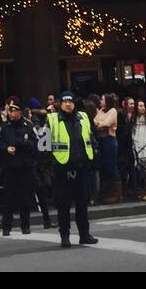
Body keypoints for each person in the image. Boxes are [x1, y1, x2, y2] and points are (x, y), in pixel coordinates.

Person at [47, 92, 98, 248]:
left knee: (82, 204)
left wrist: (94, 153)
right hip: (63, 170)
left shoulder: (82, 117)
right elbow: (44, 145)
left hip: (82, 168)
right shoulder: (53, 120)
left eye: (70, 101)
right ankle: (65, 237)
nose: (68, 104)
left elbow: (91, 137)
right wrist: (53, 164)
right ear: (60, 104)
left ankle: (84, 235)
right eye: (65, 101)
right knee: (64, 206)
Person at [0, 99, 36, 236]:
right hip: (10, 167)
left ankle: (25, 225)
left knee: (25, 197)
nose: (11, 113)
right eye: (9, 111)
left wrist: (20, 144)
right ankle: (6, 226)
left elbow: (33, 144)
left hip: (25, 166)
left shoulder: (28, 126)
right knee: (8, 199)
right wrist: (6, 148)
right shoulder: (5, 127)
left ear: (19, 112)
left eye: (13, 111)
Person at [28, 102, 53, 228]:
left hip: (37, 162)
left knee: (40, 191)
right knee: (42, 191)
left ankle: (46, 219)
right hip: (42, 162)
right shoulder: (46, 128)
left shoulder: (36, 128)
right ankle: (46, 219)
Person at [93, 93, 120, 204]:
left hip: (109, 140)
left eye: (102, 99)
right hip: (102, 141)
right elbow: (95, 122)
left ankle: (117, 194)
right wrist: (99, 123)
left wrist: (99, 123)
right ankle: (108, 192)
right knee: (105, 167)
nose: (100, 101)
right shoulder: (101, 110)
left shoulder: (112, 111)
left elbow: (105, 124)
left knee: (112, 166)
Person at [131, 101, 146, 202]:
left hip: (145, 146)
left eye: (143, 105)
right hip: (136, 146)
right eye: (140, 106)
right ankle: (142, 190)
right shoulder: (133, 118)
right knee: (139, 170)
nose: (142, 107)